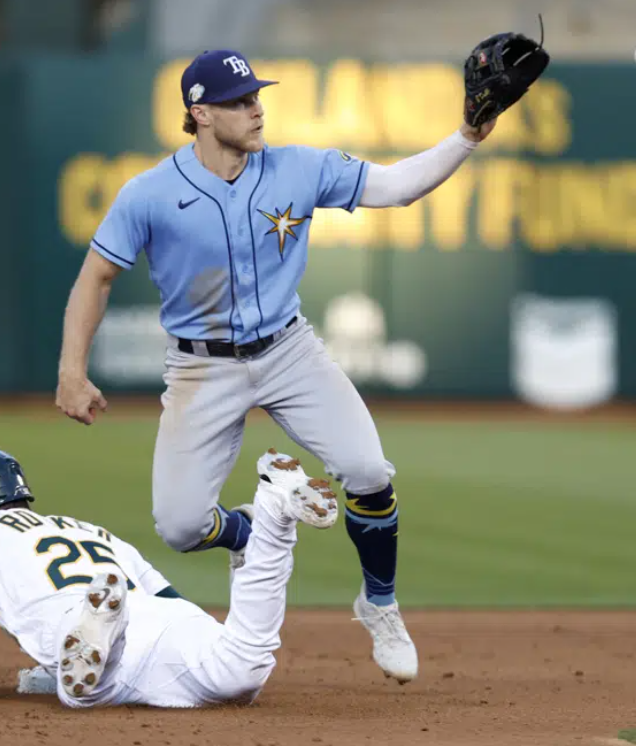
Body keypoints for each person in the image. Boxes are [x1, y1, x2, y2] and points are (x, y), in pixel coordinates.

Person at [54, 48, 501, 684]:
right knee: (179, 527)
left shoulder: (298, 168)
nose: (256, 108)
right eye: (239, 101)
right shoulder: (149, 193)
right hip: (200, 369)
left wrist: (467, 137)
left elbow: (400, 187)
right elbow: (95, 277)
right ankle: (252, 533)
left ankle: (379, 603)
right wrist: (73, 370)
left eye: (257, 96)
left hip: (289, 351)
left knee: (369, 470)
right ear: (199, 112)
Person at [0, 447, 338, 706]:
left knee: (79, 695)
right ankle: (274, 517)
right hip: (168, 617)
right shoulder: (89, 529)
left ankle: (95, 646)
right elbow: (175, 604)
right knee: (244, 669)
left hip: (79, 622)